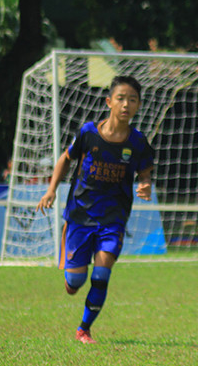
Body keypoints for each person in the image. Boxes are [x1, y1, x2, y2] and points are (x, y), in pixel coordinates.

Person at [35, 76, 155, 344]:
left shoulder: (137, 142)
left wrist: (145, 185)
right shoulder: (88, 133)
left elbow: (145, 173)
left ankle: (83, 329)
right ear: (109, 101)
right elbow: (65, 160)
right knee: (75, 283)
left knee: (101, 275)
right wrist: (51, 189)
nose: (126, 104)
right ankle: (71, 278)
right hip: (80, 215)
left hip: (114, 218)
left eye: (132, 99)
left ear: (138, 106)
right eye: (121, 98)